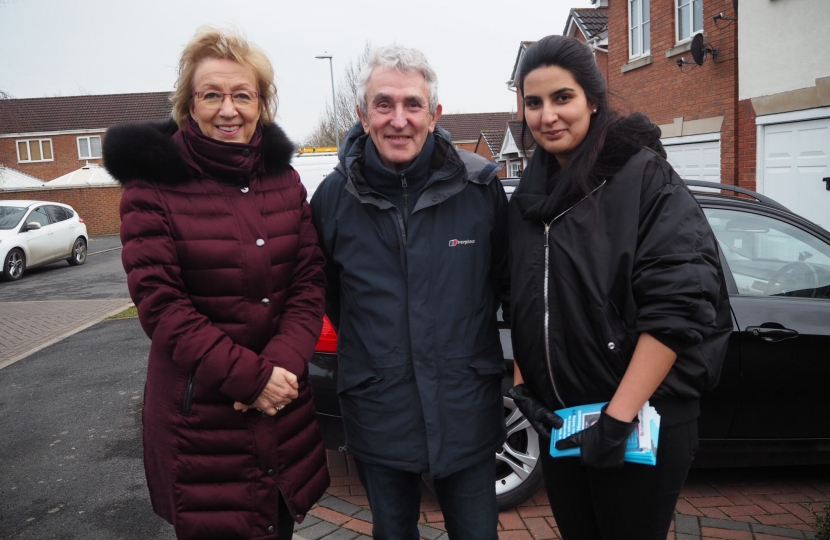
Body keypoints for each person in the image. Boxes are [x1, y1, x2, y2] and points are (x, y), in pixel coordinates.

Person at [103, 27, 329, 540]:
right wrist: (252, 380)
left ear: (261, 103)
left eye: (242, 95)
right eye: (212, 95)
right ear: (189, 104)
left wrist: (281, 367)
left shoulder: (283, 179)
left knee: (276, 523)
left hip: (281, 405)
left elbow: (308, 280)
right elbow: (161, 306)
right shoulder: (151, 186)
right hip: (201, 419)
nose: (228, 110)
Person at [506, 35, 732, 539]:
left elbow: (678, 308)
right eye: (534, 102)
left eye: (562, 98)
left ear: (592, 99)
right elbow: (518, 297)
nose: (548, 116)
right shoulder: (527, 199)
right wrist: (525, 388)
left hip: (640, 420)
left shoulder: (644, 178)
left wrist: (617, 419)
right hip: (563, 422)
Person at [310, 45, 509, 540]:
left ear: (435, 114)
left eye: (412, 105)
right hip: (379, 411)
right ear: (362, 114)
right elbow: (335, 298)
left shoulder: (480, 188)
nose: (398, 120)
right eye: (384, 104)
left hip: (466, 409)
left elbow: (508, 288)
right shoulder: (333, 199)